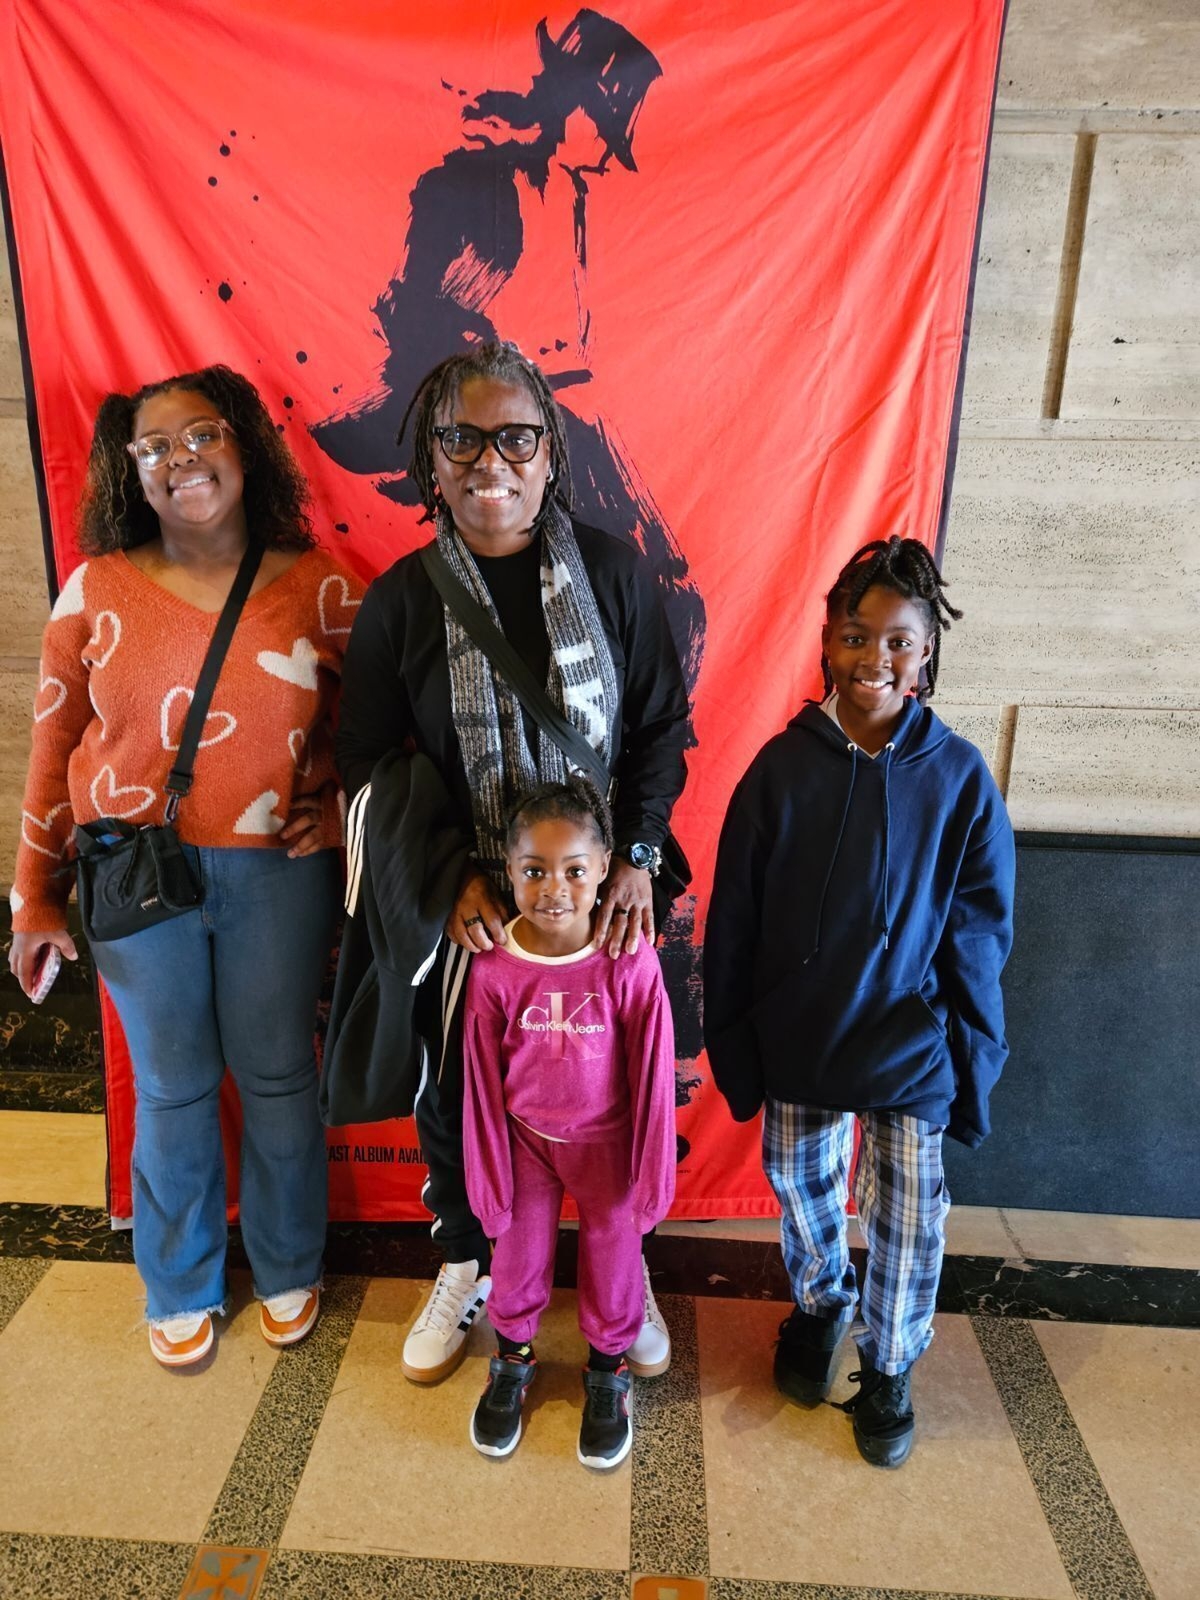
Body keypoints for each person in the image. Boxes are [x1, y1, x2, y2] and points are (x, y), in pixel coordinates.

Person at [335, 340, 688, 1383]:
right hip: (481, 907)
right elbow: (363, 759)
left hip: (599, 900)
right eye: (463, 439)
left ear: (550, 454)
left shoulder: (613, 573)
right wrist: (451, 877)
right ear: (431, 462)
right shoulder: (403, 600)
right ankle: (466, 1262)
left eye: (516, 438)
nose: (490, 461)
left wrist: (635, 856)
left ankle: (624, 1270)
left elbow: (660, 728)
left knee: (616, 1092)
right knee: (462, 1099)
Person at [9, 365, 364, 1367]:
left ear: (243, 444)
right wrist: (34, 895)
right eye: (155, 446)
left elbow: (392, 722)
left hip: (277, 874)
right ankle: (179, 1277)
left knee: (278, 1072)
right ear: (130, 470)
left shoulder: (323, 585)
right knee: (171, 1083)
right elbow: (53, 743)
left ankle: (289, 1262)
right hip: (134, 875)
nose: (182, 459)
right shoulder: (95, 589)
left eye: (202, 434)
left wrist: (344, 806)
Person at [703, 536, 1015, 1468]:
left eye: (898, 642)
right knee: (804, 1191)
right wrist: (736, 1038)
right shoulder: (780, 768)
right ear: (828, 642)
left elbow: (980, 932)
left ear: (926, 653)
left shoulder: (958, 777)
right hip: (803, 1030)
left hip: (911, 1042)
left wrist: (973, 1057)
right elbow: (735, 916)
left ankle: (888, 1365)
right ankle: (821, 1305)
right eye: (856, 636)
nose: (875, 658)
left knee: (909, 1218)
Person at [462, 780, 675, 1468]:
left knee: (614, 1253)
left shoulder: (628, 958)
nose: (554, 889)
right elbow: (478, 1075)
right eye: (534, 871)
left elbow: (652, 1066)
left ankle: (608, 1368)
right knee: (517, 1253)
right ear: (508, 869)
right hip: (525, 1140)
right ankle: (513, 1358)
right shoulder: (494, 967)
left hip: (606, 1143)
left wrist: (649, 1165)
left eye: (575, 870)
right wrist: (488, 1167)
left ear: (607, 866)